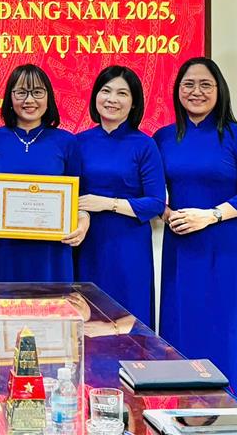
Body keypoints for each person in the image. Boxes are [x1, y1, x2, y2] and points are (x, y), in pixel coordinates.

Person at [155, 57, 237, 397]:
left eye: (206, 84)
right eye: (188, 84)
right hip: (181, 246)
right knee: (181, 323)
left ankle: (232, 402)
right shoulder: (163, 137)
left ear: (220, 90)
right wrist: (167, 214)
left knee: (224, 327)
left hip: (223, 246)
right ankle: (179, 405)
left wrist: (211, 215)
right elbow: (152, 192)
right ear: (177, 90)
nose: (196, 91)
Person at [74, 66, 165, 326]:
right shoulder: (77, 142)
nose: (112, 99)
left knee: (127, 319)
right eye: (106, 91)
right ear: (95, 96)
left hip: (128, 246)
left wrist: (107, 204)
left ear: (134, 102)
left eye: (122, 93)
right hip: (86, 242)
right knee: (84, 320)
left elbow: (156, 202)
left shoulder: (144, 144)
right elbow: (67, 193)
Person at [0, 64, 89, 282]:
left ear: (48, 97)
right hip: (4, 249)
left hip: (52, 251)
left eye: (37, 92)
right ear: (10, 97)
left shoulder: (66, 141)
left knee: (52, 303)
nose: (29, 100)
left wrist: (83, 221)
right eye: (21, 92)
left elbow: (79, 195)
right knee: (4, 303)